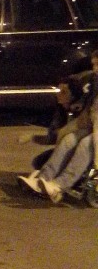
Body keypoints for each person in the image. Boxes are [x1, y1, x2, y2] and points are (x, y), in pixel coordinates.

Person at [18, 48, 98, 203]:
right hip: (93, 125)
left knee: (86, 144)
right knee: (69, 139)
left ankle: (59, 185)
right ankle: (43, 179)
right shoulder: (94, 83)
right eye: (94, 65)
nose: (95, 69)